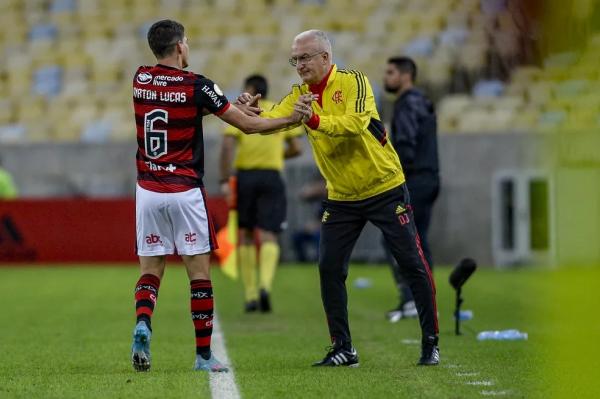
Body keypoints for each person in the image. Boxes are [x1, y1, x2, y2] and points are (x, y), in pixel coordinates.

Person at [239, 30, 440, 366]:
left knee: (411, 263)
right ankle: (343, 348)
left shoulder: (353, 81)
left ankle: (430, 342)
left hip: (384, 187)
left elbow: (356, 123)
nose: (299, 65)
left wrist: (314, 118)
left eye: (304, 57)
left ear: (325, 58)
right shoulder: (300, 95)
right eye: (295, 59)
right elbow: (267, 122)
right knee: (329, 267)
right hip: (343, 196)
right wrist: (247, 111)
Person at [131, 20, 303, 373]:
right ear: (180, 47)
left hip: (147, 190)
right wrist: (290, 119)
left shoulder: (140, 80)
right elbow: (248, 126)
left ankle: (143, 322)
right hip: (185, 191)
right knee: (199, 274)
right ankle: (203, 356)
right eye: (188, 42)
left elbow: (184, 105)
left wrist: (231, 105)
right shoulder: (198, 84)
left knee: (152, 269)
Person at [219, 74, 304, 313]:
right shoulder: (278, 110)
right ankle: (266, 285)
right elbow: (296, 148)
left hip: (246, 177)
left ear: (250, 89)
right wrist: (276, 155)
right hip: (272, 177)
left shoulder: (242, 110)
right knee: (269, 235)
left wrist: (225, 179)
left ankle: (250, 294)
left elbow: (227, 144)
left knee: (246, 233)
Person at [382, 57, 440, 323]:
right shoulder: (421, 101)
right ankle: (419, 300)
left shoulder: (407, 103)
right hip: (426, 178)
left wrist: (392, 173)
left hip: (414, 179)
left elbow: (406, 144)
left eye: (391, 72)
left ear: (406, 75)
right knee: (415, 240)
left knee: (402, 240)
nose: (386, 77)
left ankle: (414, 300)